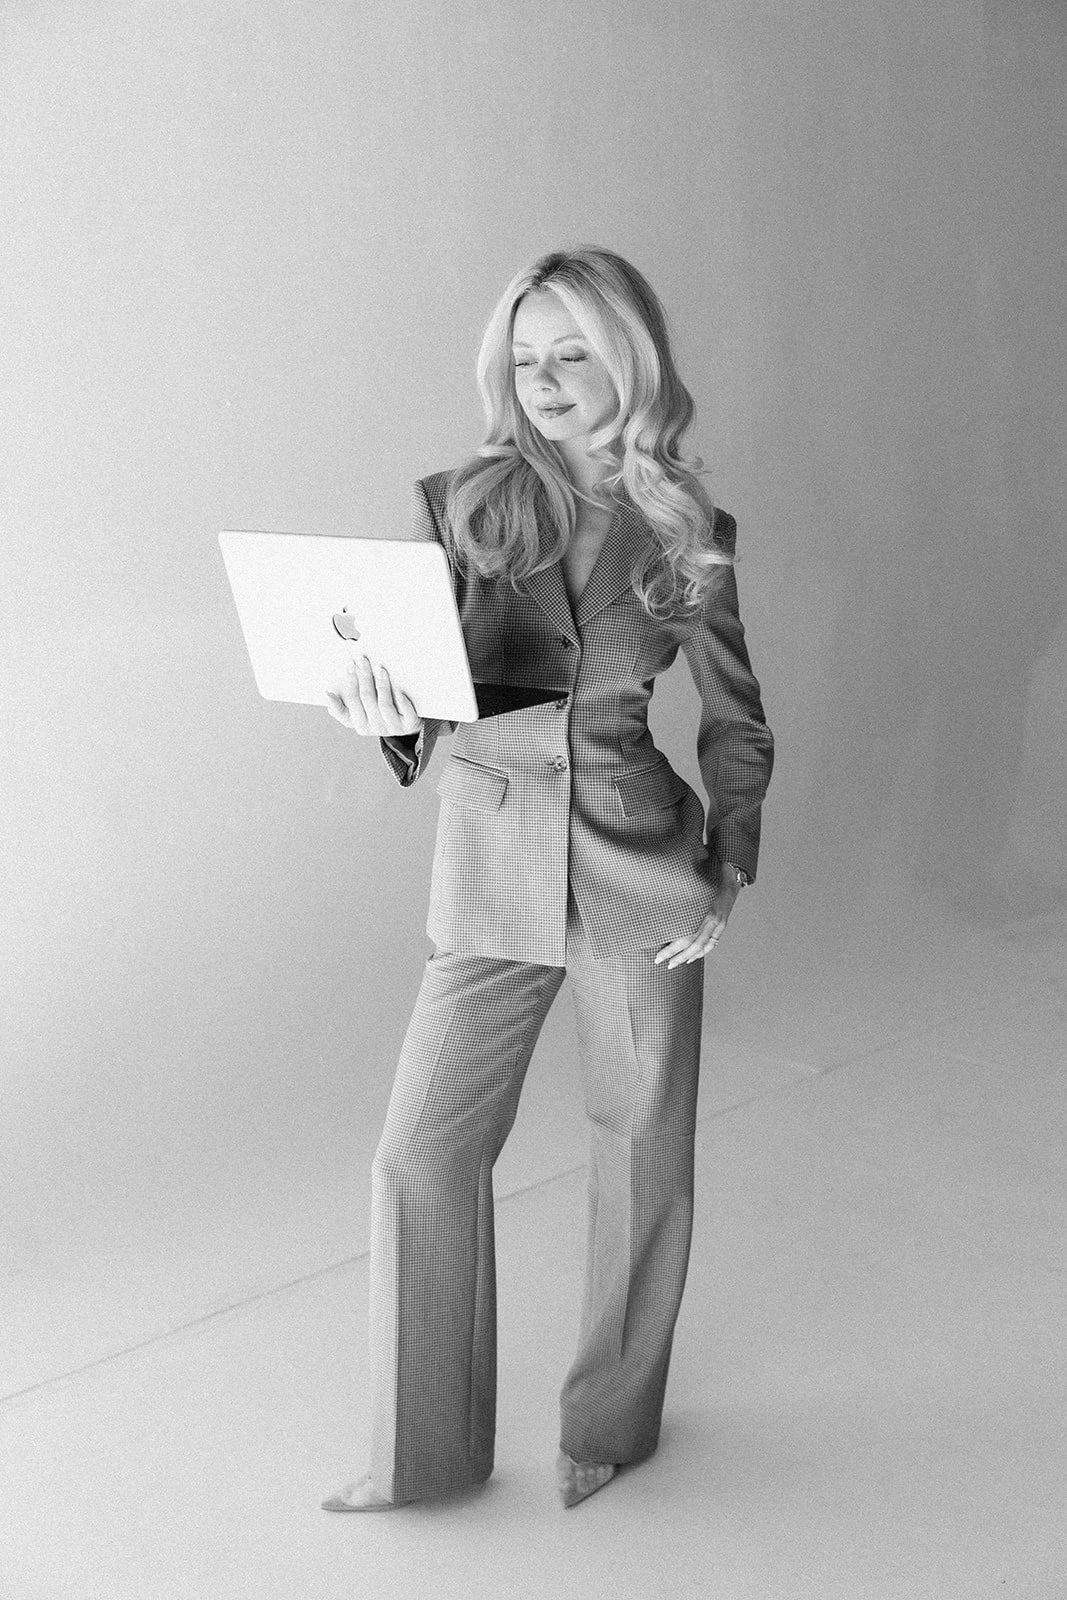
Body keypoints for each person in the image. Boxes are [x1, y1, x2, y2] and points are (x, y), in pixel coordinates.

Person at [321, 245, 774, 1512]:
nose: (546, 380)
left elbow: (736, 719)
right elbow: (421, 688)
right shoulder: (460, 505)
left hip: (639, 875)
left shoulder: (687, 530)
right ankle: (419, 1452)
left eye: (572, 353)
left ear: (628, 361)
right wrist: (385, 718)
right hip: (486, 867)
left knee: (640, 1152)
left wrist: (728, 864)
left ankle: (609, 1425)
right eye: (525, 358)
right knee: (419, 1156)